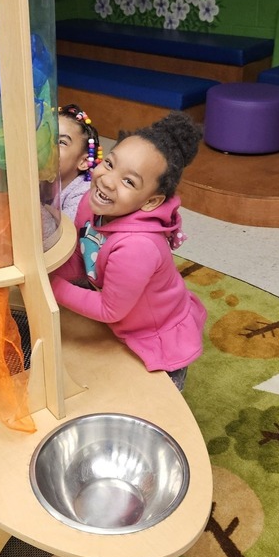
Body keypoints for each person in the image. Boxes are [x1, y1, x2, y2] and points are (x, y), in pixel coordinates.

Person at [50, 111, 206, 391]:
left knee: (157, 403)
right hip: (125, 323)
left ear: (151, 201)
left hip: (156, 338)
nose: (108, 181)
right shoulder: (91, 202)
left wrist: (51, 285)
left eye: (129, 182)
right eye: (109, 164)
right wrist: (47, 268)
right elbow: (82, 257)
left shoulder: (138, 247)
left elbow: (110, 310)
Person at [57, 103, 102, 222]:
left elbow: (62, 235)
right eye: (45, 137)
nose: (47, 146)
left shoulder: (83, 195)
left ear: (84, 162)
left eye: (62, 142)